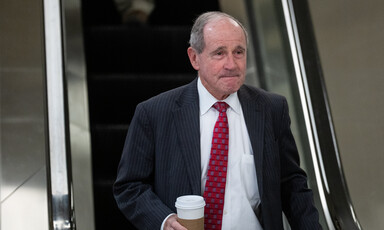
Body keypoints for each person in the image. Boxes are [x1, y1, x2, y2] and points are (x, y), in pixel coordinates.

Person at [113, 11, 322, 230]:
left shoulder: (272, 109)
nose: (231, 64)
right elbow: (129, 186)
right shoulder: (155, 113)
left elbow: (292, 185)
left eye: (238, 52)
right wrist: (165, 221)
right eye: (219, 53)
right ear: (194, 58)